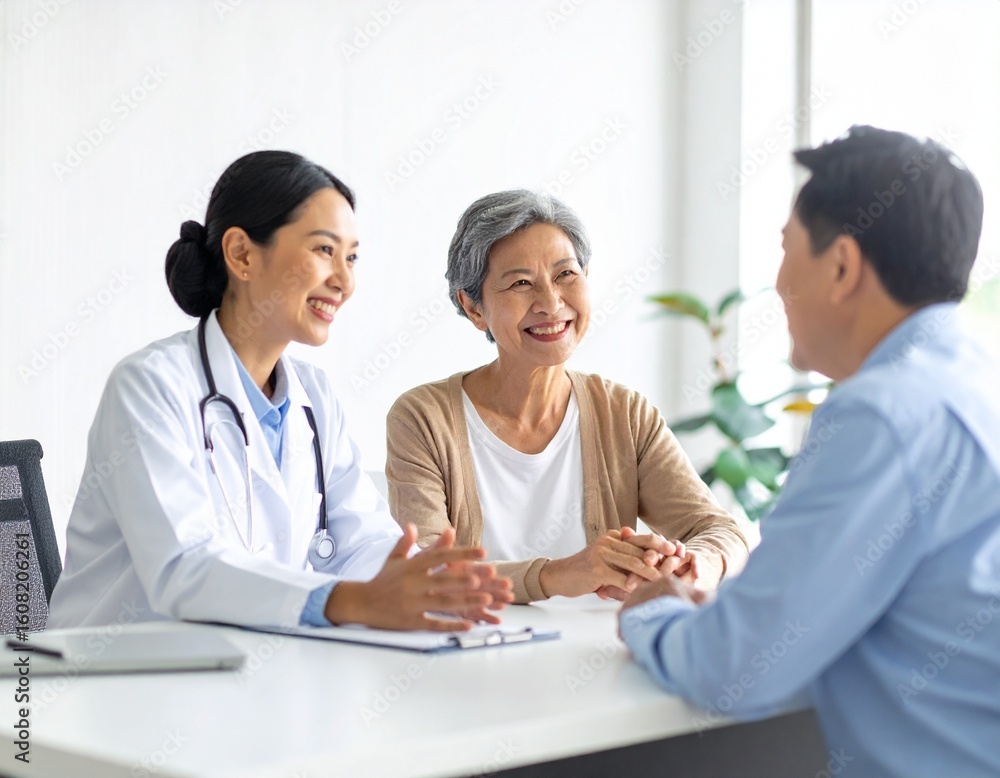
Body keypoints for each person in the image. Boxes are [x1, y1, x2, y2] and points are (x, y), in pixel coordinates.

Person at [620, 126, 1000, 776]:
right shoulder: (969, 382)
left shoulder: (885, 410)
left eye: (785, 249)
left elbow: (734, 668)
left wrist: (650, 608)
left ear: (843, 266)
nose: (776, 282)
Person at [49, 151, 511, 632]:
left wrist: (431, 581)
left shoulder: (314, 397)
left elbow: (361, 541)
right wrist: (348, 602)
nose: (344, 281)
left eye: (351, 257)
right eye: (323, 251)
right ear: (242, 254)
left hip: (246, 671)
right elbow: (181, 569)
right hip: (107, 679)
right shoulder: (150, 386)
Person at [385, 190, 749, 604]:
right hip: (472, 656)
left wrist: (692, 566)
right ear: (474, 308)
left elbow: (722, 531)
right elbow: (426, 572)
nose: (551, 303)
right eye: (521, 283)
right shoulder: (423, 418)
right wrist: (559, 575)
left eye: (566, 275)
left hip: (603, 657)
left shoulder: (625, 414)